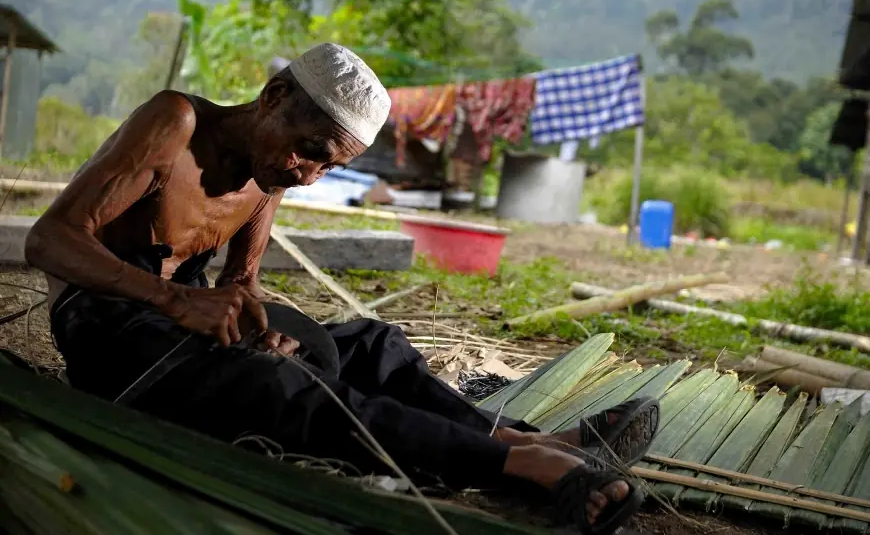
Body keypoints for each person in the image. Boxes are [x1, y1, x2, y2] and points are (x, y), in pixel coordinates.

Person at [25, 43, 658, 534]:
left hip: (185, 333)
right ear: (273, 97)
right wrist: (171, 298)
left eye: (330, 166)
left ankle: (511, 435)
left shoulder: (268, 178)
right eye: (311, 152)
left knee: (371, 347)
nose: (309, 176)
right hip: (109, 332)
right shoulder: (176, 123)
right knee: (288, 389)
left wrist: (260, 330)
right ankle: (525, 468)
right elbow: (49, 239)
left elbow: (241, 286)